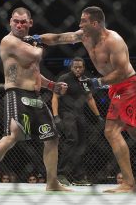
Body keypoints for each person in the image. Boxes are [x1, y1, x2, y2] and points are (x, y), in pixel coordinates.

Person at [28, 6, 136, 193]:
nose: (79, 24)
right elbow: (59, 38)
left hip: (127, 85)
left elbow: (122, 72)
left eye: (83, 21)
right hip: (116, 87)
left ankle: (129, 183)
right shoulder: (83, 35)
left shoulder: (113, 41)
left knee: (111, 131)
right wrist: (37, 38)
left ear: (95, 23)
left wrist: (96, 82)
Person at [0, 7, 70, 192]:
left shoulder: (28, 42)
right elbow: (36, 55)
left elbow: (33, 72)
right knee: (12, 136)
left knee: (52, 138)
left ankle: (52, 183)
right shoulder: (9, 41)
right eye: (16, 21)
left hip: (34, 96)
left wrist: (51, 86)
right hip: (16, 94)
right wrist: (40, 40)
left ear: (30, 23)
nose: (19, 25)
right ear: (10, 22)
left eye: (23, 21)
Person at [52, 57, 103, 186]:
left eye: (80, 67)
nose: (78, 69)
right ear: (71, 67)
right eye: (75, 67)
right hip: (67, 113)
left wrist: (98, 116)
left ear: (83, 68)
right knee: (72, 140)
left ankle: (78, 177)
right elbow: (55, 97)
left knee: (81, 145)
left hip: (80, 114)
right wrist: (56, 116)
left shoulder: (85, 81)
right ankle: (60, 174)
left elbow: (90, 99)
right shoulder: (64, 79)